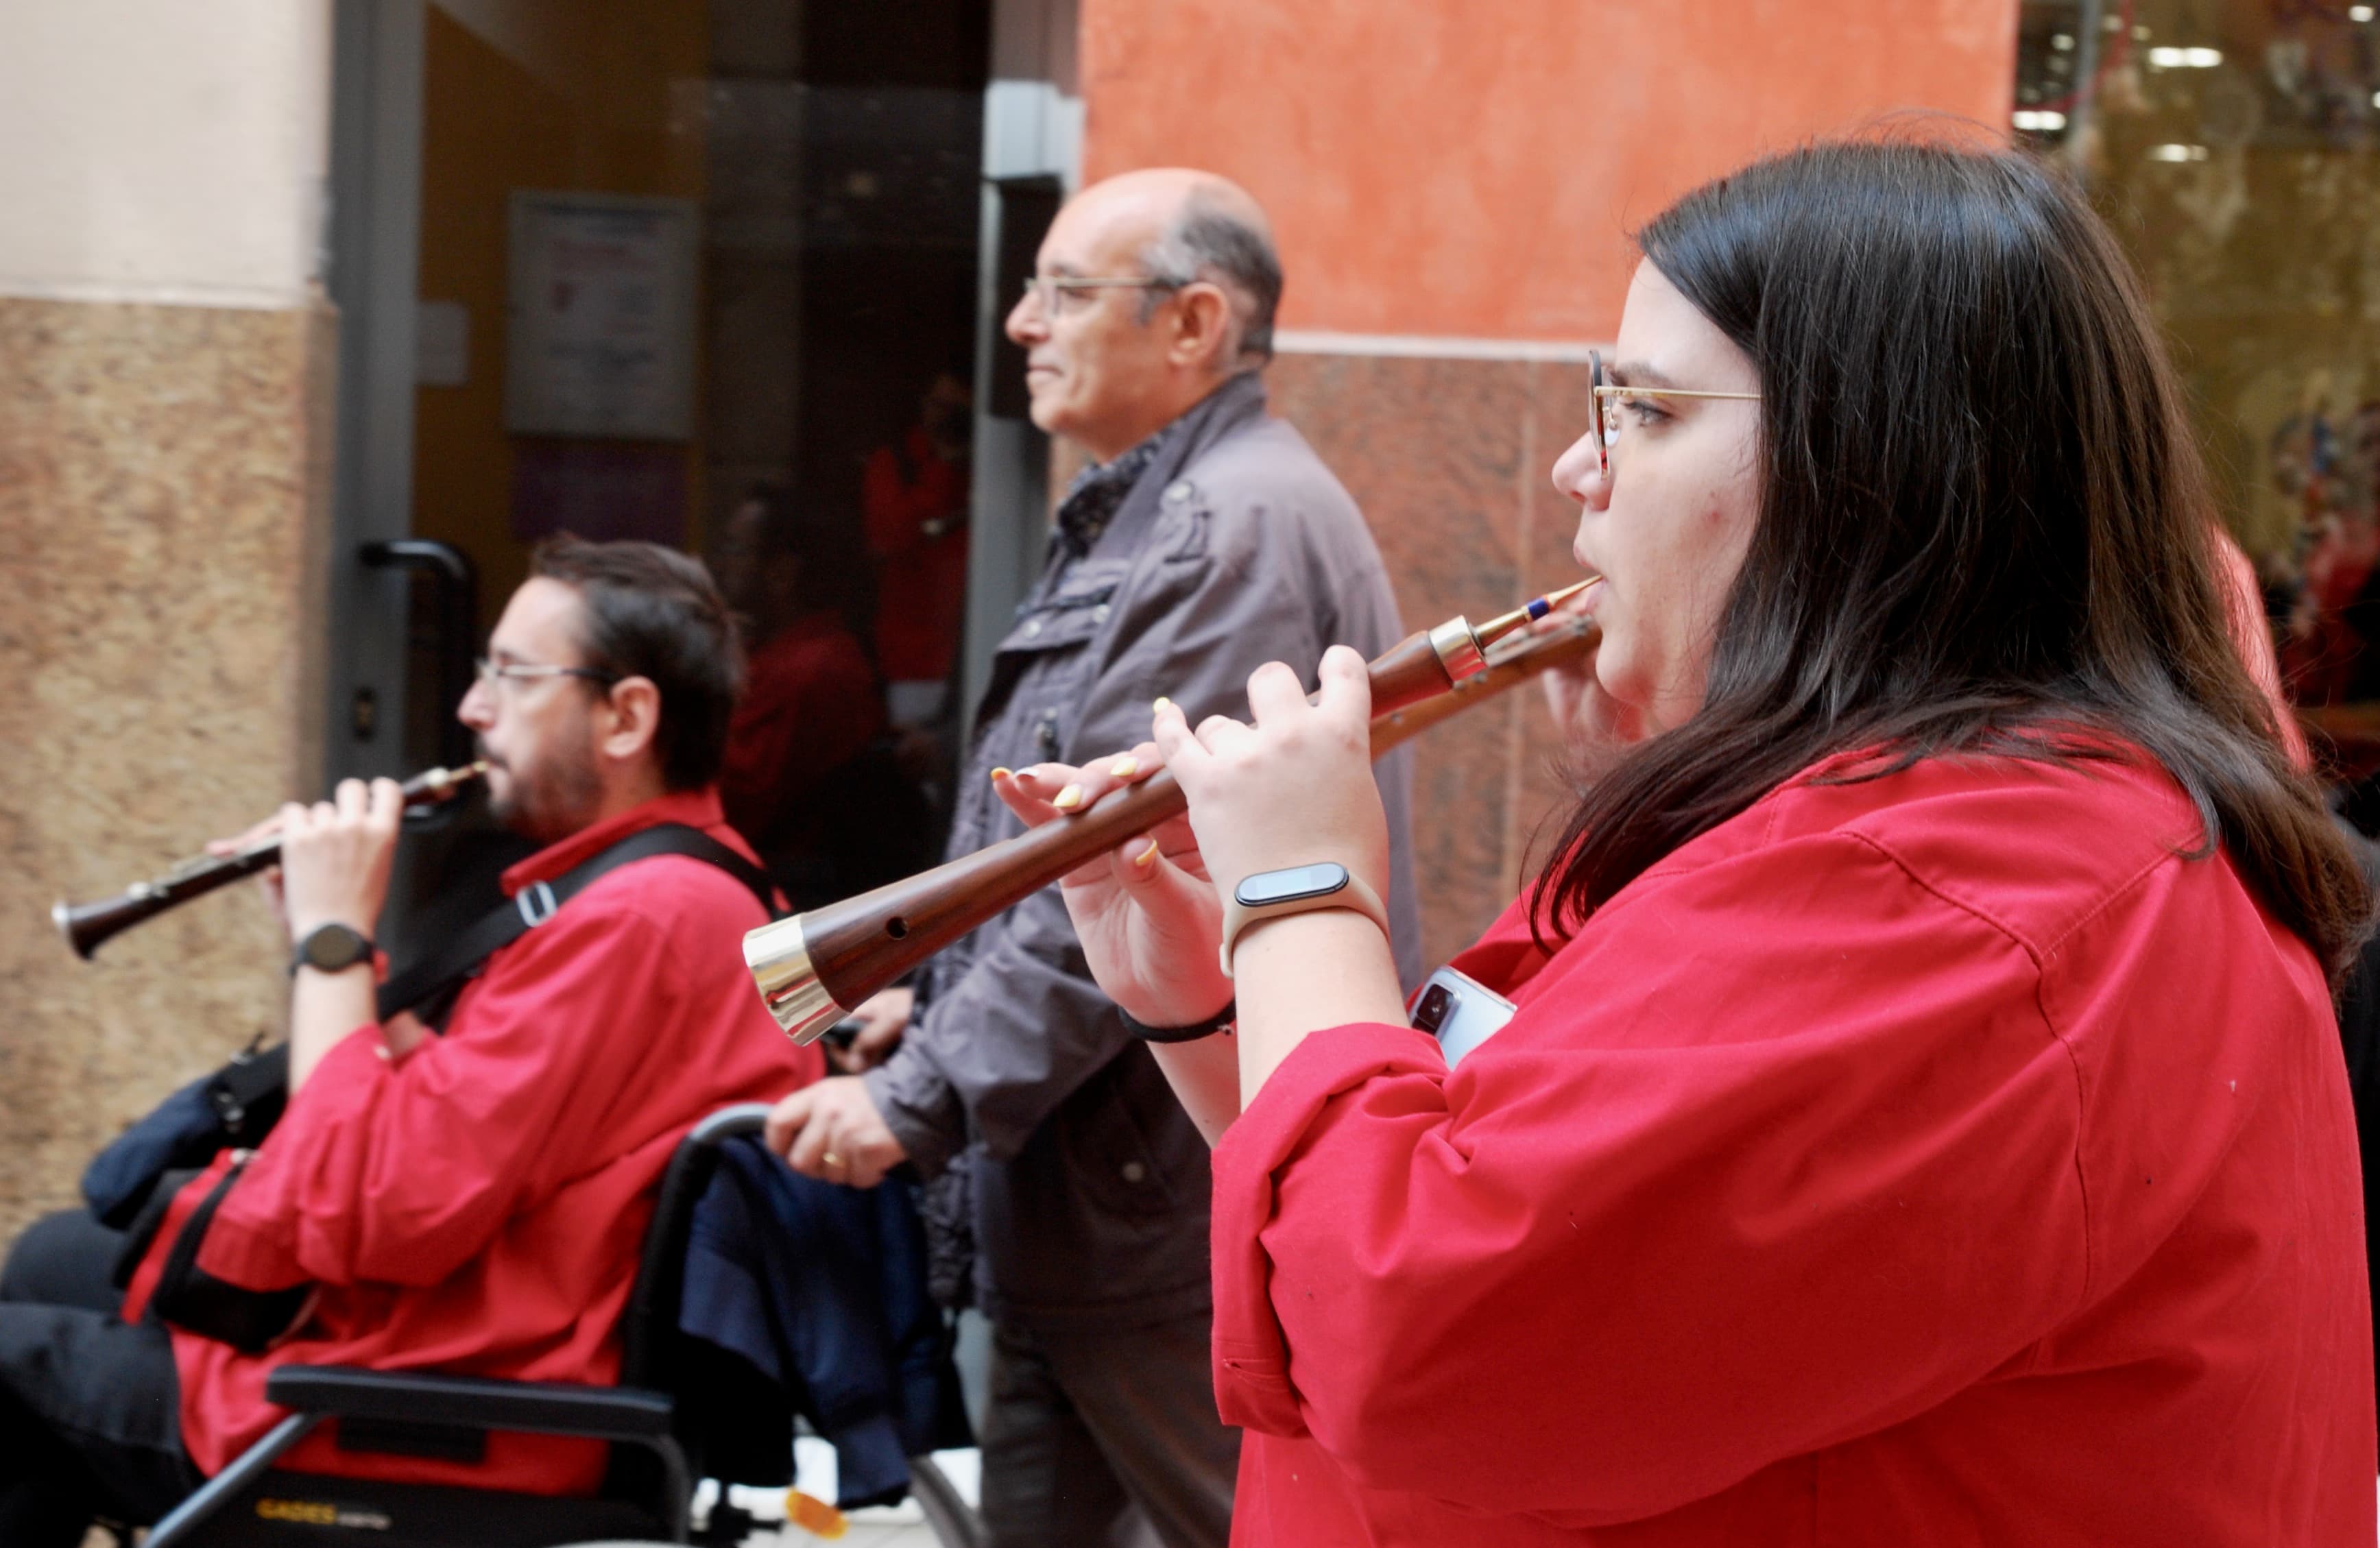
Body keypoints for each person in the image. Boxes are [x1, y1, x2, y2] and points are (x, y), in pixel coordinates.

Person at [996, 141, 2377, 1543]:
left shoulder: (1965, 889)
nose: (1576, 464)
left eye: (1644, 408)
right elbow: (1523, 1206)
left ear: (1872, 470)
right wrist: (1217, 1001)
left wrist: (1301, 892)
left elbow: (1416, 1327)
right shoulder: (1877, 824)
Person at [767, 167, 1423, 1548]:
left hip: (1150, 1198)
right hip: (1096, 1187)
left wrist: (922, 1092)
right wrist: (930, 1008)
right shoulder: (1169, 508)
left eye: (1063, 291)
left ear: (1192, 324)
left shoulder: (1221, 529)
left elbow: (1123, 866)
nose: (1020, 323)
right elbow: (1056, 845)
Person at [0, 537, 824, 1544]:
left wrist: (334, 943)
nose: (475, 707)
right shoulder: (685, 889)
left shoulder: (642, 918)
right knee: (49, 1261)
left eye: (512, 676)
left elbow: (364, 1208)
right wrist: (330, 952)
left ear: (627, 716)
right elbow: (460, 1120)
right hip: (462, 1349)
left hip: (445, 1403)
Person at [715, 483, 893, 891]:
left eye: (734, 551)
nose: (720, 565)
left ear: (780, 573)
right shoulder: (783, 651)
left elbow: (738, 808)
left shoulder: (811, 668)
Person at [865, 370, 976, 727]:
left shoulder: (997, 464)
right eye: (937, 405)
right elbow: (891, 537)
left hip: (978, 642)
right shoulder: (898, 463)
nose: (944, 419)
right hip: (917, 660)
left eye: (956, 411)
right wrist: (945, 466)